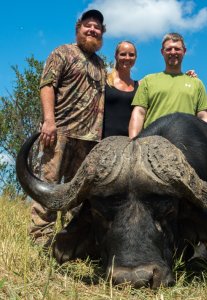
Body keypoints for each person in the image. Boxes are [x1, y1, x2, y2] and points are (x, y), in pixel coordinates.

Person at [30, 9, 107, 244]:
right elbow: (47, 85)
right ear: (78, 29)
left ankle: (72, 242)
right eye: (88, 26)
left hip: (89, 139)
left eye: (97, 27)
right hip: (59, 132)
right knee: (48, 187)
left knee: (79, 195)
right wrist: (49, 121)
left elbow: (124, 85)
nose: (92, 29)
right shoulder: (62, 52)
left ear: (102, 34)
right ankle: (40, 241)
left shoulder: (101, 65)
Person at [128, 32, 207, 139]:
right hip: (152, 143)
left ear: (184, 51)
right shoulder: (149, 80)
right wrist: (133, 142)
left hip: (187, 143)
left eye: (177, 49)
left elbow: (203, 116)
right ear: (162, 52)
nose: (173, 52)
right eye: (169, 49)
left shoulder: (196, 83)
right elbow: (139, 112)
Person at [103, 41, 138, 138]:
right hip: (103, 143)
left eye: (131, 55)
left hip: (129, 143)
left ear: (135, 57)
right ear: (116, 56)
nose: (127, 58)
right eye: (123, 54)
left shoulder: (139, 86)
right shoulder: (104, 81)